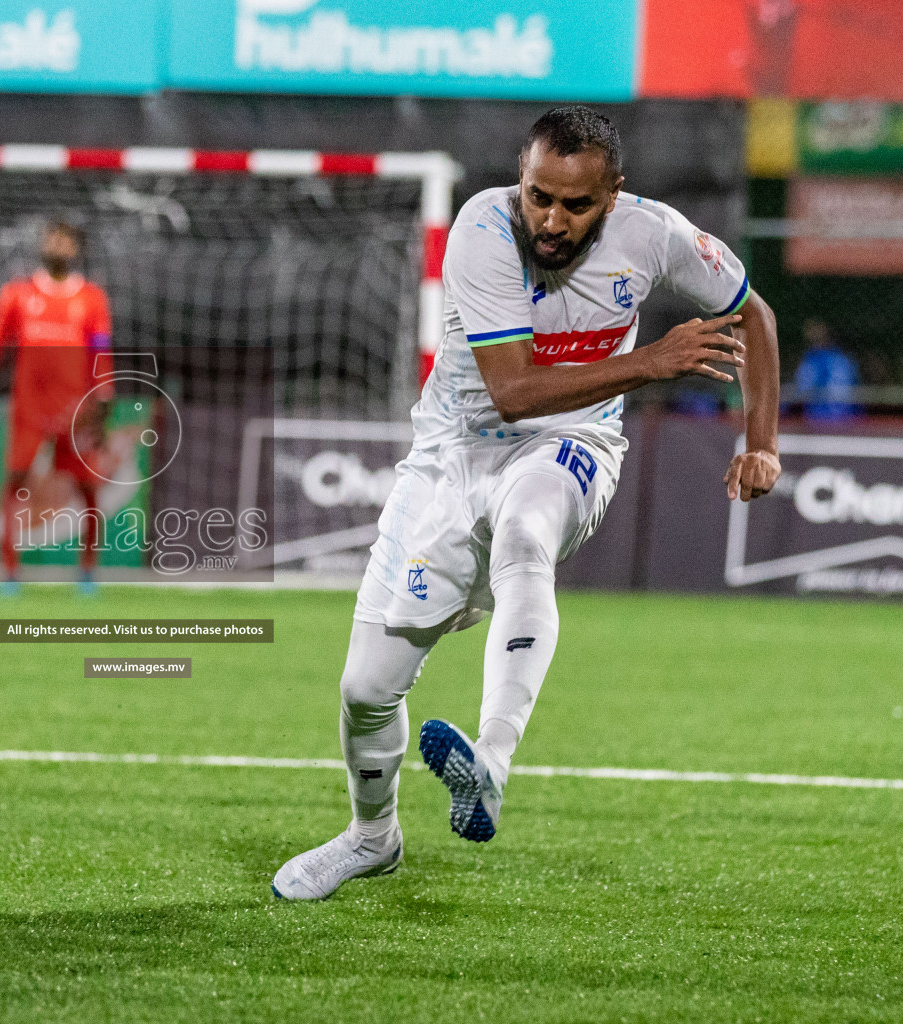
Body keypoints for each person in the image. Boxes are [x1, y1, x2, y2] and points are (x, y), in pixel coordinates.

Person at [272, 106, 781, 901]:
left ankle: (492, 764)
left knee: (525, 535)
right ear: (522, 177)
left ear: (613, 196)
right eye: (539, 195)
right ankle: (371, 839)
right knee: (366, 689)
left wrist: (761, 440)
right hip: (453, 455)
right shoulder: (482, 229)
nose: (551, 218)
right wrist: (650, 362)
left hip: (571, 444)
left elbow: (755, 313)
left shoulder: (656, 235)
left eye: (575, 205)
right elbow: (510, 393)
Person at [0, 221, 112, 595]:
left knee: (87, 487)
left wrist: (105, 395)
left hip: (75, 408)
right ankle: (10, 571)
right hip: (29, 406)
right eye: (52, 237)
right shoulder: (17, 294)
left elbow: (100, 352)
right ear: (42, 244)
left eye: (66, 238)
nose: (58, 244)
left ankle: (88, 571)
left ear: (76, 248)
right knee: (14, 483)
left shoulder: (91, 298)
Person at [792, 319, 861, 423]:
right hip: (813, 419)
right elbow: (801, 388)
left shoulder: (838, 360)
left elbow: (842, 394)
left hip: (839, 420)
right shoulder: (810, 359)